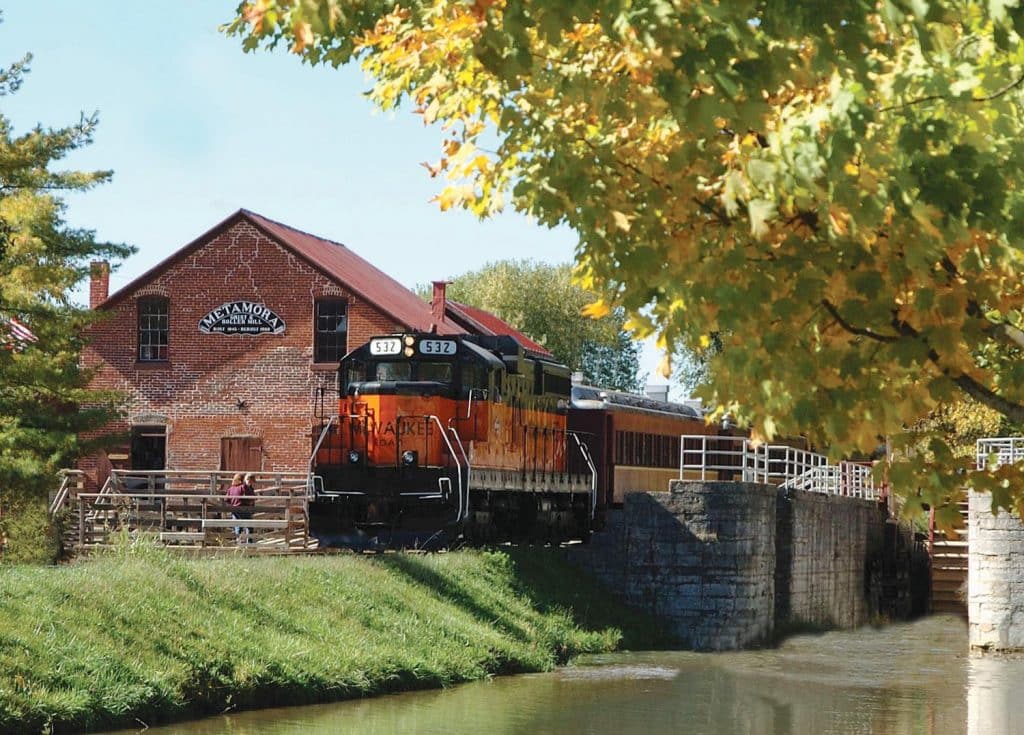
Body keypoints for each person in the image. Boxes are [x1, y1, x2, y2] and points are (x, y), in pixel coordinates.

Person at [225, 472, 251, 544]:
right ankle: (249, 543)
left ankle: (238, 543)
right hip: (243, 509)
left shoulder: (230, 489)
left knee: (237, 527)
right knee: (249, 526)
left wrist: (232, 504)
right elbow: (249, 496)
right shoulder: (243, 487)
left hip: (234, 510)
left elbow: (226, 499)